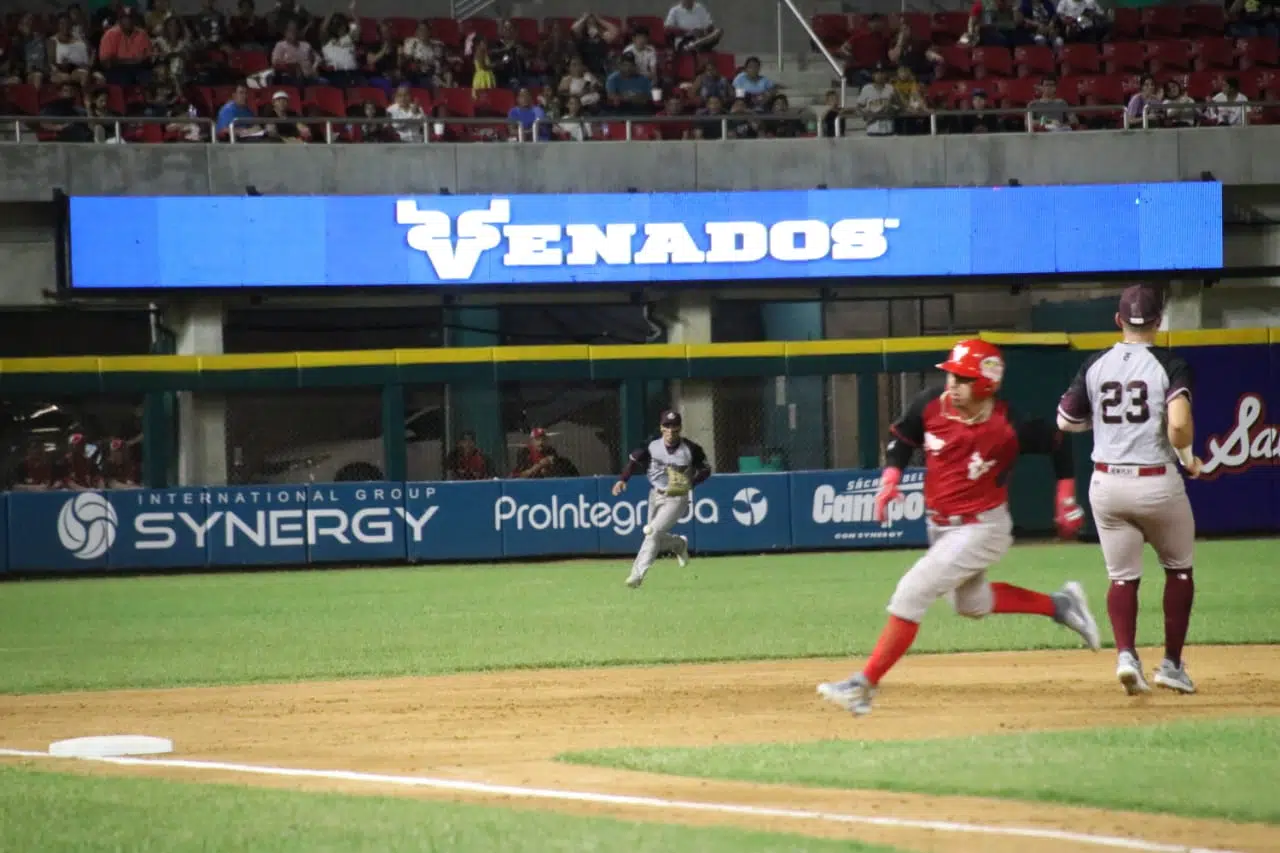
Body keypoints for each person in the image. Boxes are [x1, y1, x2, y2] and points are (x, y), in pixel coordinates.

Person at [817, 339, 1099, 716]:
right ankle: (1061, 605)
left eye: (963, 378)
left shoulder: (1007, 425)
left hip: (984, 527)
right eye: (951, 374)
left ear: (985, 384)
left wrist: (1065, 497)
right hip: (940, 526)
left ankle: (863, 686)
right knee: (971, 603)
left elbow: (1057, 442)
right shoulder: (930, 404)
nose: (952, 383)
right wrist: (889, 481)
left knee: (912, 592)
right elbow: (902, 440)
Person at [1055, 284, 1201, 696]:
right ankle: (1171, 664)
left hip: (1107, 483)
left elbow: (1065, 419)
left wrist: (1102, 427)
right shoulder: (1169, 365)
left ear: (1118, 320)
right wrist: (1187, 455)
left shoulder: (1096, 364)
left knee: (1122, 578)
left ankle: (1125, 655)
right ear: (1158, 321)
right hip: (1156, 482)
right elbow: (1176, 423)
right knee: (1179, 570)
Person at [611, 411, 710, 589]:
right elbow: (634, 461)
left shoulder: (690, 449)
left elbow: (706, 469)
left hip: (677, 497)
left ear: (680, 427)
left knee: (652, 532)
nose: (671, 430)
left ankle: (637, 575)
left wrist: (690, 483)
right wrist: (623, 479)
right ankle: (678, 544)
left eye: (674, 426)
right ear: (661, 427)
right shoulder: (652, 445)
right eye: (667, 426)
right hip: (656, 494)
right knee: (654, 536)